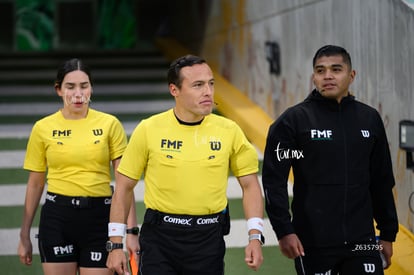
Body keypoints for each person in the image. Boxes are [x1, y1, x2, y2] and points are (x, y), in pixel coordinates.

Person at [106, 54, 264, 275]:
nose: (208, 91)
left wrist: (255, 236)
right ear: (174, 90)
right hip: (159, 239)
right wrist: (115, 245)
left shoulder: (230, 131)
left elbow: (250, 185)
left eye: (210, 83)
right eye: (198, 85)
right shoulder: (148, 129)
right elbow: (123, 188)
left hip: (208, 239)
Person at [262, 45, 399, 275]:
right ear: (313, 77)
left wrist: (387, 233)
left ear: (351, 75)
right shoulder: (293, 122)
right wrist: (284, 230)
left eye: (336, 69)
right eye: (320, 70)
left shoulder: (369, 119)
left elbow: (382, 180)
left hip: (362, 241)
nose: (328, 76)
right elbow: (274, 182)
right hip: (313, 243)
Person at [17, 58, 139, 275]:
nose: (78, 93)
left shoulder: (110, 124)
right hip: (57, 218)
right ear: (58, 90)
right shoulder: (42, 128)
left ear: (91, 88)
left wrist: (130, 232)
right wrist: (24, 234)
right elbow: (35, 184)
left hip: (100, 217)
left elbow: (124, 183)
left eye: (84, 86)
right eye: (70, 86)